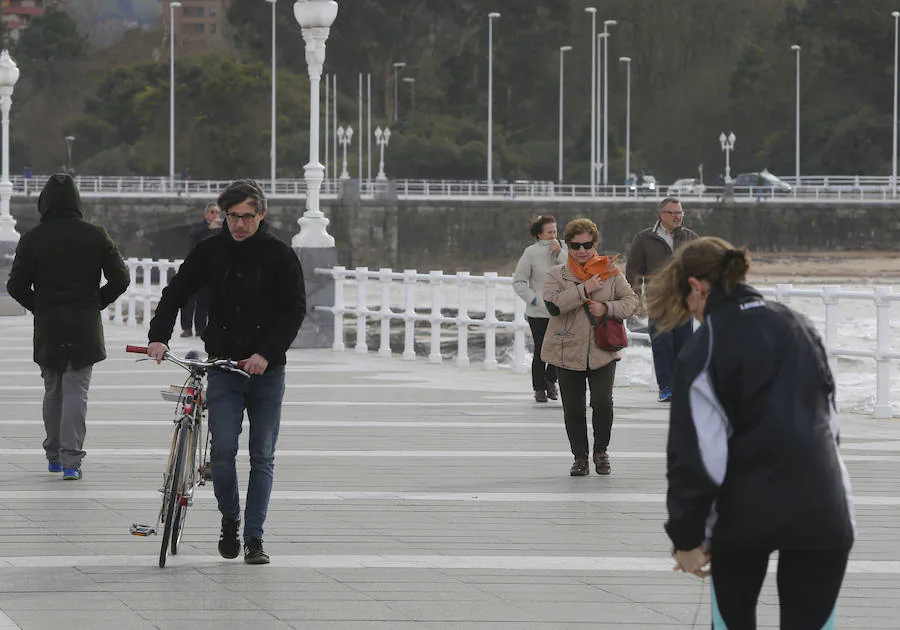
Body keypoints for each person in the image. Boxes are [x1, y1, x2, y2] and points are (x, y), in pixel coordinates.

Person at [645, 237, 855, 629]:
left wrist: (686, 537)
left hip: (744, 515)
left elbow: (697, 456)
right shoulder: (798, 324)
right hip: (823, 507)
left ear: (695, 286)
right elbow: (830, 424)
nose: (691, 312)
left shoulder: (704, 344)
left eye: (686, 300)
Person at [146, 179, 306, 565]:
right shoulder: (210, 251)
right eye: (232, 217)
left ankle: (254, 538)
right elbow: (177, 291)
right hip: (224, 366)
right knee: (221, 451)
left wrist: (266, 353)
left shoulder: (279, 255)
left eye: (247, 217)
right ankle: (230, 518)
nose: (239, 225)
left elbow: (294, 309)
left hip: (266, 370)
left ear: (262, 215)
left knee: (262, 456)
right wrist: (158, 337)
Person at [6, 173, 130, 480]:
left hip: (49, 322)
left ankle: (54, 455)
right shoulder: (96, 234)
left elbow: (15, 285)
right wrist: (96, 301)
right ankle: (72, 461)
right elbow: (121, 278)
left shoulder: (33, 238)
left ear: (44, 202)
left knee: (53, 388)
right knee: (76, 388)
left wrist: (38, 305)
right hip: (84, 321)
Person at [541, 218, 638, 476]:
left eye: (587, 245)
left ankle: (601, 452)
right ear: (568, 246)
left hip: (603, 349)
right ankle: (580, 458)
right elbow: (552, 306)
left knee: (603, 402)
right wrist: (585, 289)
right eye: (575, 245)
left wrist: (607, 308)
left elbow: (631, 302)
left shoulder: (611, 272)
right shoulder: (556, 274)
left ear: (595, 244)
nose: (582, 251)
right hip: (566, 349)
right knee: (572, 407)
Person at [625, 197, 699, 402]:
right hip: (658, 301)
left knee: (684, 345)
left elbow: (700, 268)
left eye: (680, 213)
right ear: (661, 215)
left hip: (684, 302)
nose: (678, 217)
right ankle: (665, 387)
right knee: (662, 344)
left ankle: (682, 387)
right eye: (673, 213)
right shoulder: (645, 239)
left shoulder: (691, 237)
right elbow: (634, 271)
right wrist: (635, 299)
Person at [512, 214, 567, 403]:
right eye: (549, 232)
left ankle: (551, 381)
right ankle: (539, 389)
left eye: (555, 231)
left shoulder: (563, 247)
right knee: (541, 349)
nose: (553, 235)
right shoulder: (530, 252)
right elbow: (519, 282)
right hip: (538, 312)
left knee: (560, 348)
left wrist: (560, 252)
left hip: (561, 309)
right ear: (539, 234)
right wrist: (534, 299)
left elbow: (572, 270)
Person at [179, 203, 222, 337]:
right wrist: (209, 228)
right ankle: (186, 328)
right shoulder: (199, 227)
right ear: (206, 214)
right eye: (212, 212)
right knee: (188, 300)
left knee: (204, 301)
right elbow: (193, 237)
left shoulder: (221, 230)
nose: (215, 215)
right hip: (194, 268)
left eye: (216, 212)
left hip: (209, 270)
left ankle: (201, 328)